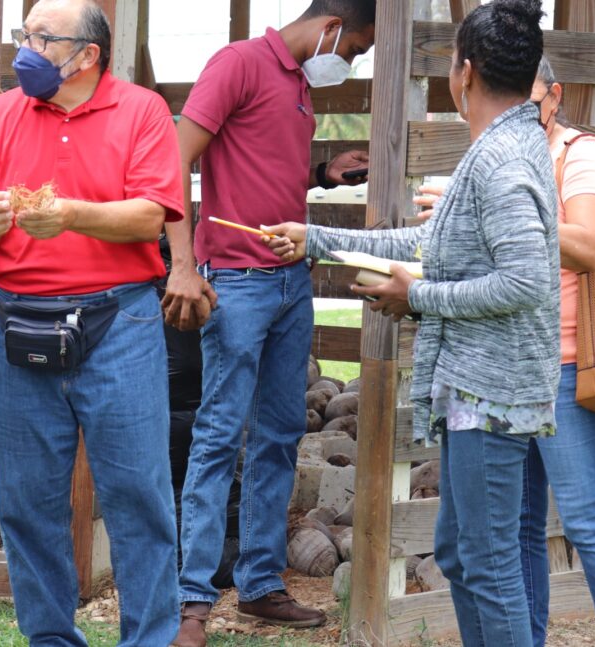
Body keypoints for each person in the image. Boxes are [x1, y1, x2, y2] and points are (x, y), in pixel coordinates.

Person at [266, 1, 558, 644]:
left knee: (486, 563)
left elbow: (525, 280)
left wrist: (418, 295)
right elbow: (436, 247)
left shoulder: (502, 159)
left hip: (492, 393)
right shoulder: (503, 143)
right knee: (460, 555)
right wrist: (313, 237)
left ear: (465, 71)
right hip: (478, 390)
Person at [0, 1, 183, 644]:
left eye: (42, 38)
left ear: (87, 55)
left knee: (138, 496)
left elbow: (149, 217)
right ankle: (51, 638)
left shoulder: (142, 111)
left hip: (120, 323)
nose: (26, 48)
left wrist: (71, 215)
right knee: (27, 504)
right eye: (25, 34)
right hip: (18, 323)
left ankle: (150, 638)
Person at [162, 1, 376, 642]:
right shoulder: (237, 64)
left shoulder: (301, 85)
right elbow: (173, 161)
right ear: (332, 26)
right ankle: (191, 602)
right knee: (219, 436)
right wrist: (182, 264)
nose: (353, 60)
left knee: (280, 436)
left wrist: (321, 176)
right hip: (235, 285)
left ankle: (258, 585)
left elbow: (262, 171)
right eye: (357, 48)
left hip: (290, 284)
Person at [518, 56, 595, 647]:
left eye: (529, 106)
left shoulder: (580, 154)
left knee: (590, 525)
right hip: (514, 368)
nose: (517, 118)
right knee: (520, 529)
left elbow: (587, 247)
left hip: (568, 363)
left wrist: (503, 214)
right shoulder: (508, 157)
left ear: (555, 97)